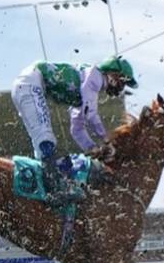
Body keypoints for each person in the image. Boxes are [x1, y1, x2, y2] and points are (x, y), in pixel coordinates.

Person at [11, 56, 137, 207]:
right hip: (31, 83)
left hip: (28, 85)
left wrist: (93, 149)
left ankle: (43, 191)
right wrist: (106, 139)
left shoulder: (84, 89)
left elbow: (76, 130)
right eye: (122, 82)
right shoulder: (95, 77)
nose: (121, 88)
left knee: (42, 146)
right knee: (44, 137)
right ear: (113, 75)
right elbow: (91, 114)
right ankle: (55, 190)